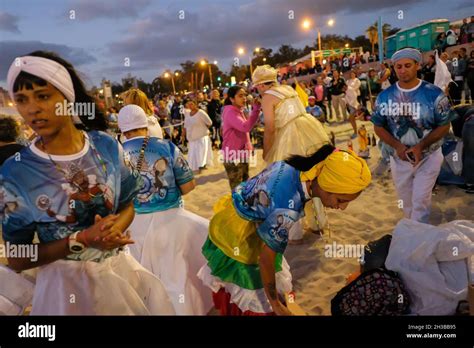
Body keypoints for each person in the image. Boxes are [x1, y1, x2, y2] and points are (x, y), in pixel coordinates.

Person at [2, 51, 175, 315]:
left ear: (67, 97)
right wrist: (80, 240)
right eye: (22, 100)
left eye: (43, 96)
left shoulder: (105, 146)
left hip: (119, 275)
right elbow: (17, 257)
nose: (32, 108)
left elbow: (129, 204)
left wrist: (112, 230)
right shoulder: (16, 171)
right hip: (63, 290)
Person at [197, 145, 371, 315]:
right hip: (240, 238)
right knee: (256, 299)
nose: (342, 208)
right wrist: (275, 305)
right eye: (341, 200)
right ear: (326, 183)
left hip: (234, 219)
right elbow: (266, 260)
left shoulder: (292, 168)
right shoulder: (287, 208)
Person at [117, 104, 213, 315]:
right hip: (172, 221)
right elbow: (188, 187)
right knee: (176, 276)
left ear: (122, 130)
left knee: (143, 279)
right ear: (146, 124)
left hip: (132, 226)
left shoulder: (115, 155)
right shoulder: (167, 147)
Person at [371, 48, 457, 223]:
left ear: (417, 65)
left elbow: (444, 124)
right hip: (399, 159)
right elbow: (378, 127)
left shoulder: (434, 94)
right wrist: (398, 147)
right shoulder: (384, 97)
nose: (403, 70)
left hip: (429, 156)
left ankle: (418, 241)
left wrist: (421, 146)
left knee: (420, 201)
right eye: (399, 67)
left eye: (407, 65)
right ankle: (412, 237)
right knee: (407, 204)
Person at [252, 64, 330, 243]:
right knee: (310, 178)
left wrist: (267, 150)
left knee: (289, 184)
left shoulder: (266, 98)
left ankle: (295, 233)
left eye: (258, 87)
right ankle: (317, 223)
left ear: (262, 85)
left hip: (288, 137)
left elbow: (270, 128)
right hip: (309, 131)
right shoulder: (288, 89)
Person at [221, 86, 261, 190]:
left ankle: (244, 205)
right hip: (233, 156)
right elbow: (245, 127)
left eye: (245, 95)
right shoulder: (230, 112)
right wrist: (256, 109)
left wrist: (249, 147)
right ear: (231, 99)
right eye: (240, 96)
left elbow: (245, 132)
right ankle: (239, 206)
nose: (244, 98)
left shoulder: (239, 110)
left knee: (245, 182)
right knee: (237, 188)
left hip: (241, 153)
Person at [182, 99, 213, 173]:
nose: (190, 106)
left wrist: (203, 129)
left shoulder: (201, 112)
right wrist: (183, 134)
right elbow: (185, 125)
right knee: (193, 153)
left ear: (195, 104)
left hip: (201, 136)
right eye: (188, 104)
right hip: (192, 137)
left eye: (191, 104)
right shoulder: (187, 113)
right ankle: (197, 166)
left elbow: (209, 122)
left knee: (201, 152)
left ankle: (202, 166)